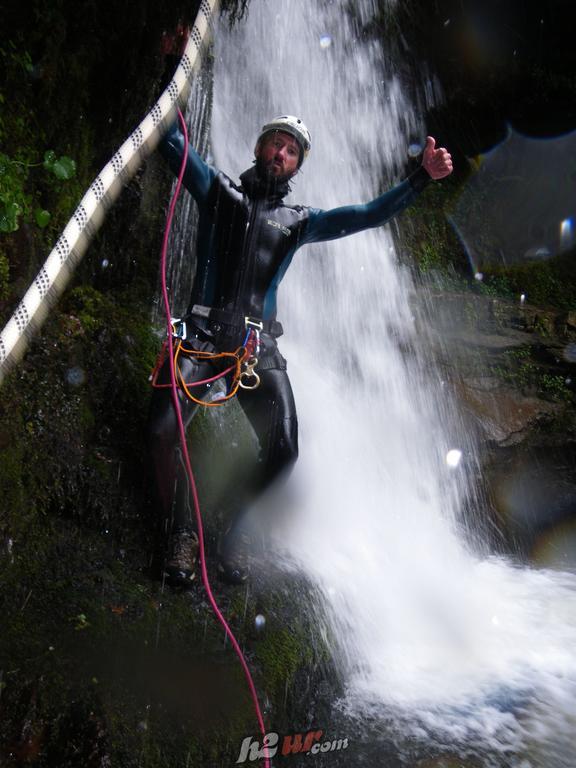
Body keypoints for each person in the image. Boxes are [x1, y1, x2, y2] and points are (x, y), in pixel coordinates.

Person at [148, 115, 452, 587]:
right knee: (162, 429)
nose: (280, 154)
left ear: (297, 166)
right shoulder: (216, 191)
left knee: (284, 450)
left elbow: (366, 214)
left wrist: (420, 178)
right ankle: (181, 533)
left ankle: (234, 532)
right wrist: (171, 66)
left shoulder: (300, 222)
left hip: (255, 346)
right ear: (259, 147)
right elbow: (167, 140)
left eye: (291, 151)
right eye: (275, 144)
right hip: (201, 335)